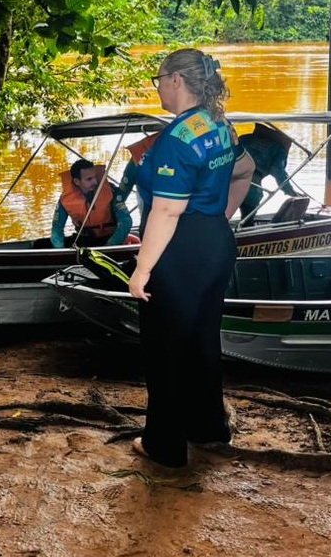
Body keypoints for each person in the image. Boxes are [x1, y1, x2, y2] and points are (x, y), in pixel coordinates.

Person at [127, 48, 253, 469]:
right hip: (216, 242)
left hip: (179, 249)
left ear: (176, 81)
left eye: (159, 79)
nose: (158, 87)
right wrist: (219, 215)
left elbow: (166, 211)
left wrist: (142, 270)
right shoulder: (219, 123)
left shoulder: (178, 138)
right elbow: (244, 170)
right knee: (202, 340)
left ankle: (164, 445)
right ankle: (207, 427)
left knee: (164, 348)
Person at [50, 158, 132, 248]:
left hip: (110, 239)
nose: (95, 182)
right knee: (40, 244)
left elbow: (126, 221)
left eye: (95, 177)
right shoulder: (65, 199)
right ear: (77, 181)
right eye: (89, 179)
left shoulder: (110, 192)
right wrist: (60, 250)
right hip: (85, 241)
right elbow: (57, 228)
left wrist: (110, 245)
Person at [238, 122, 299, 224]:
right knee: (250, 209)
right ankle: (246, 229)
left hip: (227, 176)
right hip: (251, 180)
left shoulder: (245, 138)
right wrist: (290, 191)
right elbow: (277, 171)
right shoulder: (279, 149)